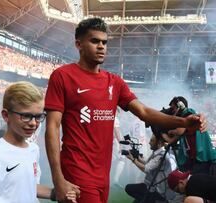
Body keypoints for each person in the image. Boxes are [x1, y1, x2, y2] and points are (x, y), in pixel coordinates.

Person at [44, 17, 207, 203]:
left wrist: (184, 122)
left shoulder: (115, 82)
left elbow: (144, 112)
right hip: (77, 172)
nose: (101, 46)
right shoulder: (63, 76)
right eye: (94, 41)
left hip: (102, 174)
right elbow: (52, 127)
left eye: (104, 42)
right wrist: (58, 179)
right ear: (78, 44)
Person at [0, 81, 77, 203]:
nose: (33, 123)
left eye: (38, 117)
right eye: (26, 116)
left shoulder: (34, 150)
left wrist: (58, 193)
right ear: (6, 115)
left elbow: (30, 187)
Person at [162, 96, 216, 175]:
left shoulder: (189, 113)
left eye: (173, 109)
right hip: (195, 161)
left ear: (180, 106)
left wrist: (169, 129)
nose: (172, 112)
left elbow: (179, 131)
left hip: (204, 159)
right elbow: (170, 140)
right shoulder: (181, 124)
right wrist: (160, 132)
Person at [125, 133, 176, 203]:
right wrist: (139, 158)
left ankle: (152, 200)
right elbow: (149, 164)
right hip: (150, 187)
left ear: (159, 143)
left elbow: (146, 169)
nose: (149, 142)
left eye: (152, 141)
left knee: (129, 188)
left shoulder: (161, 156)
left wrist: (133, 160)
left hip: (157, 191)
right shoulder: (158, 152)